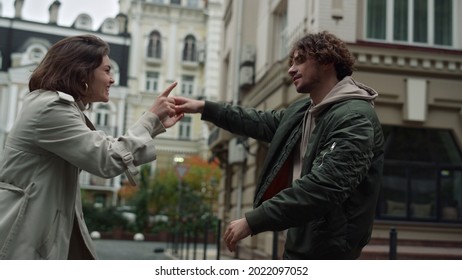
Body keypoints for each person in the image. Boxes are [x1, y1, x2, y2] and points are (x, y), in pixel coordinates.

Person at [174, 31, 384, 259]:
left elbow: (324, 188)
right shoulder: (304, 112)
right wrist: (204, 108)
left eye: (300, 60)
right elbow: (256, 121)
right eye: (291, 62)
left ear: (327, 62)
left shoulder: (354, 118)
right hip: (300, 243)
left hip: (330, 252)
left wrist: (252, 221)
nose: (291, 69)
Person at [0, 34, 183, 259]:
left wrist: (153, 125)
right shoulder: (51, 108)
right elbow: (106, 159)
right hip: (22, 245)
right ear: (82, 71)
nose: (112, 79)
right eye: (107, 70)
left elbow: (106, 151)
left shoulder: (57, 107)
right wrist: (150, 118)